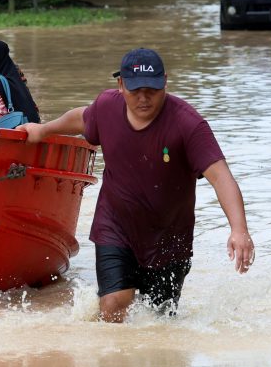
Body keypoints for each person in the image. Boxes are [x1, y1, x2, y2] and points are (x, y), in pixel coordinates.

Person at [19, 48, 254, 323]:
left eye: (151, 89)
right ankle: (111, 362)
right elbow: (82, 118)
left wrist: (239, 229)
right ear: (121, 85)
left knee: (159, 321)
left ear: (164, 81)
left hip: (169, 239)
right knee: (114, 302)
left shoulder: (188, 124)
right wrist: (44, 129)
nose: (143, 98)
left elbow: (220, 176)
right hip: (115, 226)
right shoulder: (107, 107)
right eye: (135, 90)